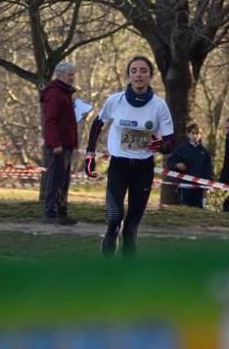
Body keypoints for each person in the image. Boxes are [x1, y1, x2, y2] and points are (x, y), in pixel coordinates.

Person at [84, 55, 174, 256]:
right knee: (114, 220)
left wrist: (160, 145)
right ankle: (106, 267)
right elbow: (97, 124)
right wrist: (90, 154)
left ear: (150, 75)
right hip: (119, 166)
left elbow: (170, 144)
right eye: (134, 70)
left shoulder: (159, 106)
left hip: (143, 169)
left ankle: (127, 276)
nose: (138, 75)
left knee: (131, 228)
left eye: (143, 70)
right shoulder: (115, 101)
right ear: (128, 75)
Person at [40, 61, 79, 225]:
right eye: (70, 75)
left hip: (67, 144)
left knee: (64, 180)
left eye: (73, 74)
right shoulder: (54, 93)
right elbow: (51, 120)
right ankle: (51, 212)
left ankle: (62, 212)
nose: (72, 78)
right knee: (55, 179)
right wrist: (55, 143)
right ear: (60, 75)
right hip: (58, 146)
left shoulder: (65, 94)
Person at [167, 122, 214, 208]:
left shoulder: (205, 152)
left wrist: (207, 185)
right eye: (193, 133)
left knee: (198, 212)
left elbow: (208, 170)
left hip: (199, 188)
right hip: (185, 186)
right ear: (188, 134)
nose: (195, 135)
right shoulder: (181, 149)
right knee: (185, 211)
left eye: (198, 133)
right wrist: (177, 165)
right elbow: (170, 161)